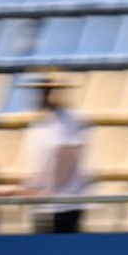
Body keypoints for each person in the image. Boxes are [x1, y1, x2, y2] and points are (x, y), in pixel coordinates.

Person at [19, 73, 90, 234]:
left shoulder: (68, 120)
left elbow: (68, 154)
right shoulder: (40, 123)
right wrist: (29, 186)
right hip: (42, 202)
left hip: (62, 204)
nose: (41, 97)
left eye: (46, 92)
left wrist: (50, 191)